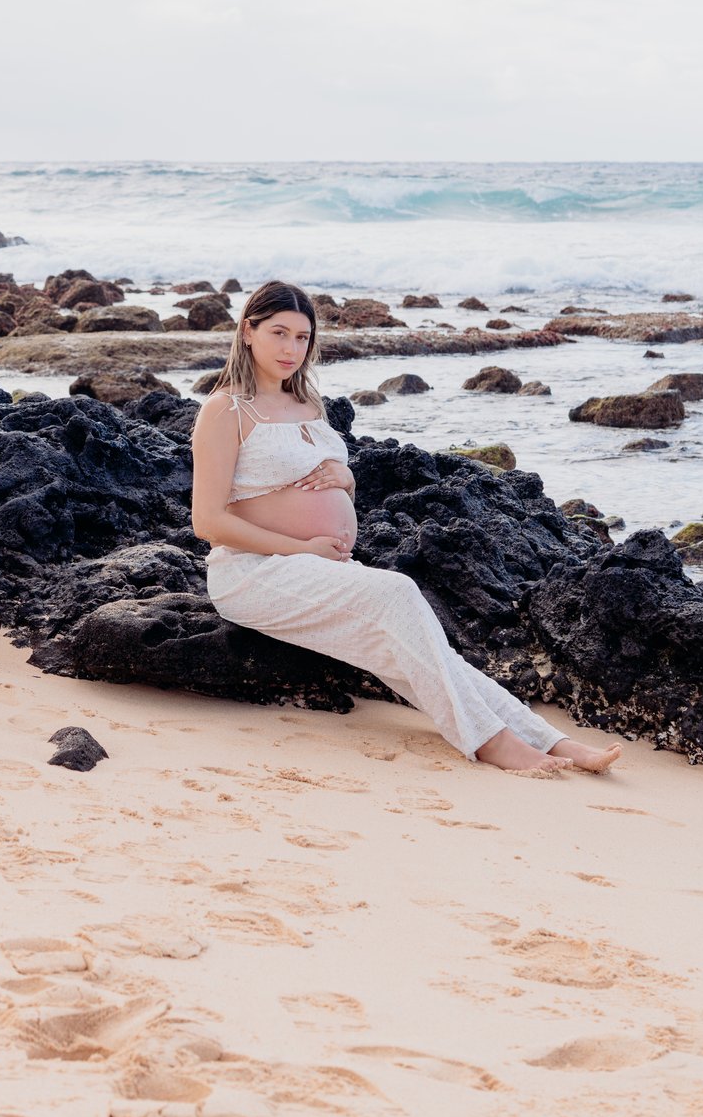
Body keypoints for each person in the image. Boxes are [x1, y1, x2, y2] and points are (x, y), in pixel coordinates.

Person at [189, 282, 623, 775]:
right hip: (253, 573)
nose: (291, 349)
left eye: (303, 338)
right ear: (248, 332)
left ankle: (549, 740)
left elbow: (323, 482)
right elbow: (209, 521)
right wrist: (301, 547)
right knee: (398, 593)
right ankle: (493, 744)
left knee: (423, 652)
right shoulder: (225, 410)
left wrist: (347, 478)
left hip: (316, 565)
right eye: (278, 333)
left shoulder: (309, 403)